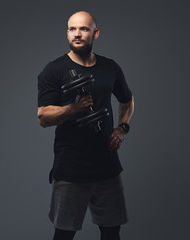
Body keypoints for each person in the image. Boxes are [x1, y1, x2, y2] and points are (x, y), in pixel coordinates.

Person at [37, 11, 134, 240]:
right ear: (67, 33)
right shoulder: (54, 70)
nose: (77, 34)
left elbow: (127, 100)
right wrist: (74, 108)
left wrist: (122, 128)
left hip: (107, 166)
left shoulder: (110, 68)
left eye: (83, 29)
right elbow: (42, 117)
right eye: (72, 29)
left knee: (112, 232)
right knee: (64, 234)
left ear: (95, 33)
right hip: (71, 168)